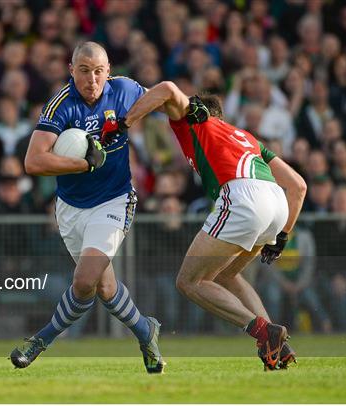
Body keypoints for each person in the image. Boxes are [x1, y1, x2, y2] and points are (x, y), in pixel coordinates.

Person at [103, 81, 307, 370]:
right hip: (276, 202)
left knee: (189, 281)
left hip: (243, 197)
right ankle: (277, 345)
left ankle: (262, 331)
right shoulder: (246, 138)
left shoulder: (195, 121)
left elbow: (167, 89)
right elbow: (298, 186)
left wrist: (124, 124)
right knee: (225, 276)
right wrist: (283, 234)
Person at [9, 42, 164, 374]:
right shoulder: (60, 105)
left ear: (108, 71)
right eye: (83, 70)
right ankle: (145, 332)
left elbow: (161, 98)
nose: (91, 79)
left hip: (114, 199)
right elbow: (33, 162)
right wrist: (83, 164)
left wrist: (192, 117)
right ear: (71, 70)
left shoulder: (124, 90)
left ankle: (40, 341)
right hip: (70, 207)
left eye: (98, 71)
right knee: (104, 288)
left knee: (83, 281)